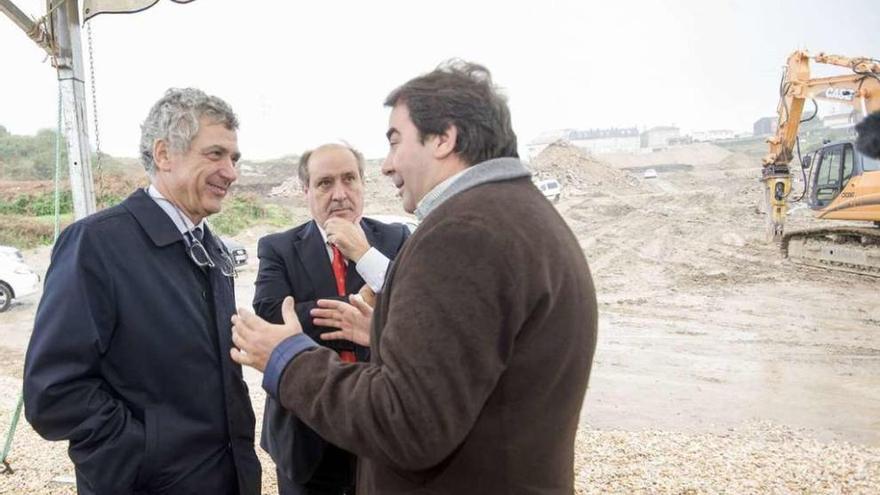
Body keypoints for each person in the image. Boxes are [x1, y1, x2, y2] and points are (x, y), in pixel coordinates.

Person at [231, 60, 598, 494]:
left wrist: (285, 359)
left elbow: (406, 421)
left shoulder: (463, 234)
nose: (387, 166)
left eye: (394, 141)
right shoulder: (522, 215)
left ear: (444, 138)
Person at [23, 88, 261, 495]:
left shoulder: (213, 248)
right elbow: (53, 392)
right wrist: (141, 453)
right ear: (165, 154)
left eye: (234, 158)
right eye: (215, 154)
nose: (231, 172)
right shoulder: (96, 245)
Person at [252, 142, 410, 495]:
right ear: (305, 191)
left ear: (363, 184)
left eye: (349, 179)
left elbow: (419, 309)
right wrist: (367, 300)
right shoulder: (278, 247)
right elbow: (273, 317)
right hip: (306, 434)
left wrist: (365, 256)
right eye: (324, 183)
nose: (340, 194)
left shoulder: (396, 238)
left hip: (380, 427)